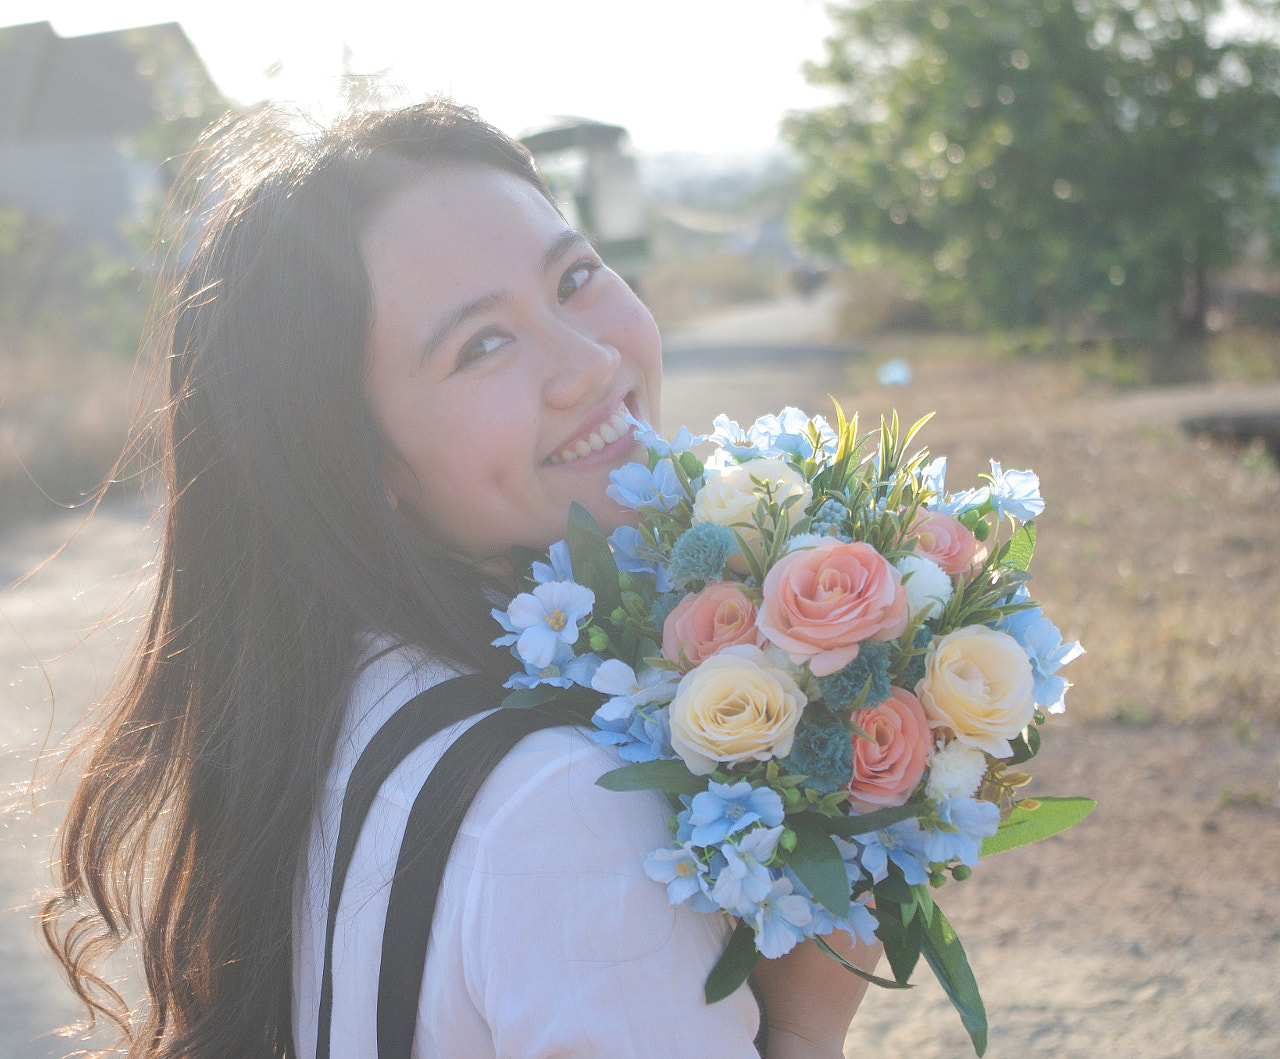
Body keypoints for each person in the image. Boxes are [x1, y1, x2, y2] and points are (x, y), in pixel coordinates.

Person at [43, 99, 879, 1059]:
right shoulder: (563, 806)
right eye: (481, 344)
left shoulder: (331, 693)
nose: (589, 361)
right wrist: (808, 1018)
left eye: (574, 277)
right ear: (364, 463)